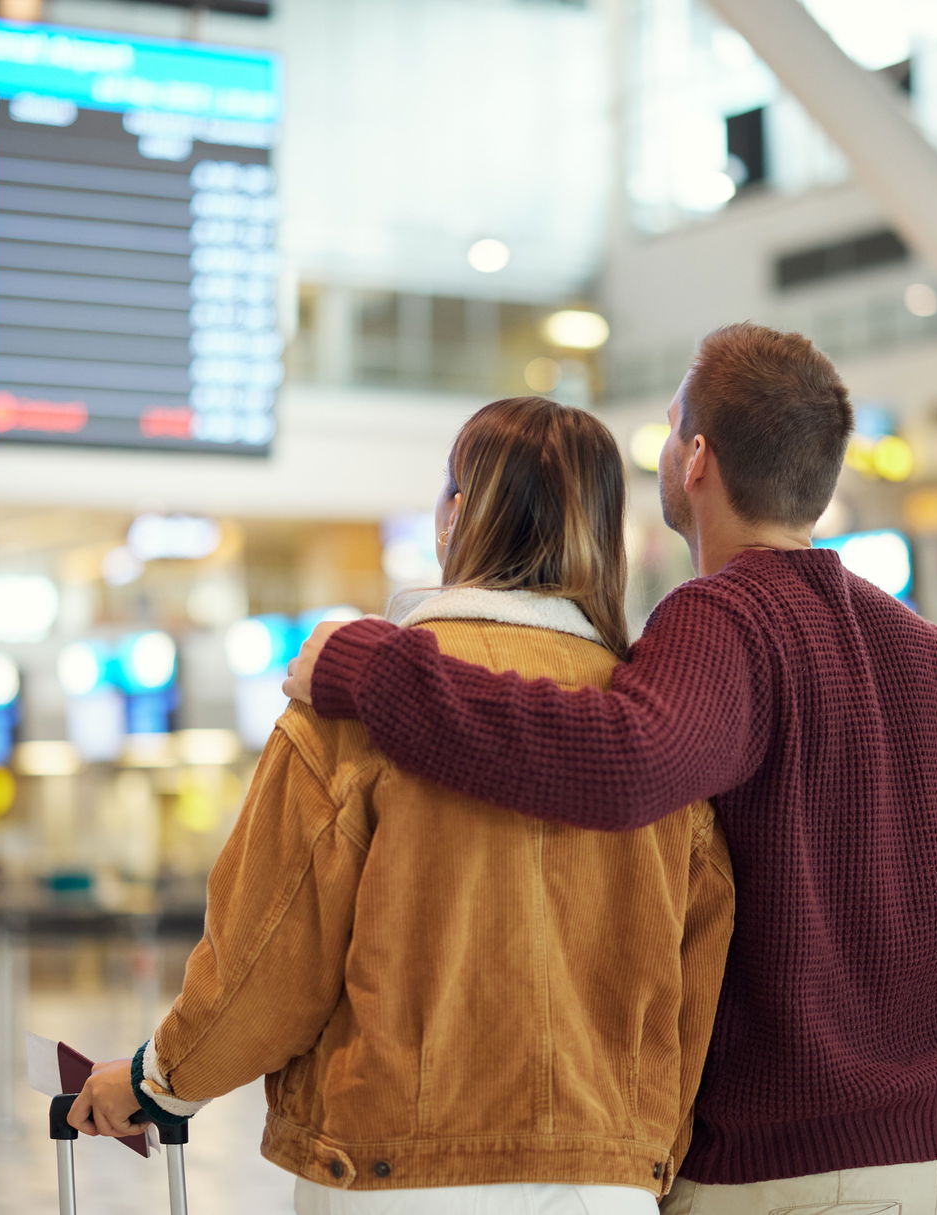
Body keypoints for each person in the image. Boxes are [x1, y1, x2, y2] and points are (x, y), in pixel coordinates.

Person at [284, 324, 937, 1214]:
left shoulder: (721, 619)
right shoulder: (926, 651)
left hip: (780, 1175)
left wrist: (374, 666)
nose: (667, 451)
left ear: (697, 457)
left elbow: (622, 761)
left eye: (671, 429)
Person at [69, 396, 737, 1215]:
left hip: (395, 1172)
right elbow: (697, 975)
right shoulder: (654, 726)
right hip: (604, 1179)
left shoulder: (352, 704)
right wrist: (644, 1149)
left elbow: (269, 953)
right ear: (606, 536)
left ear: (454, 517)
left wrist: (159, 1079)